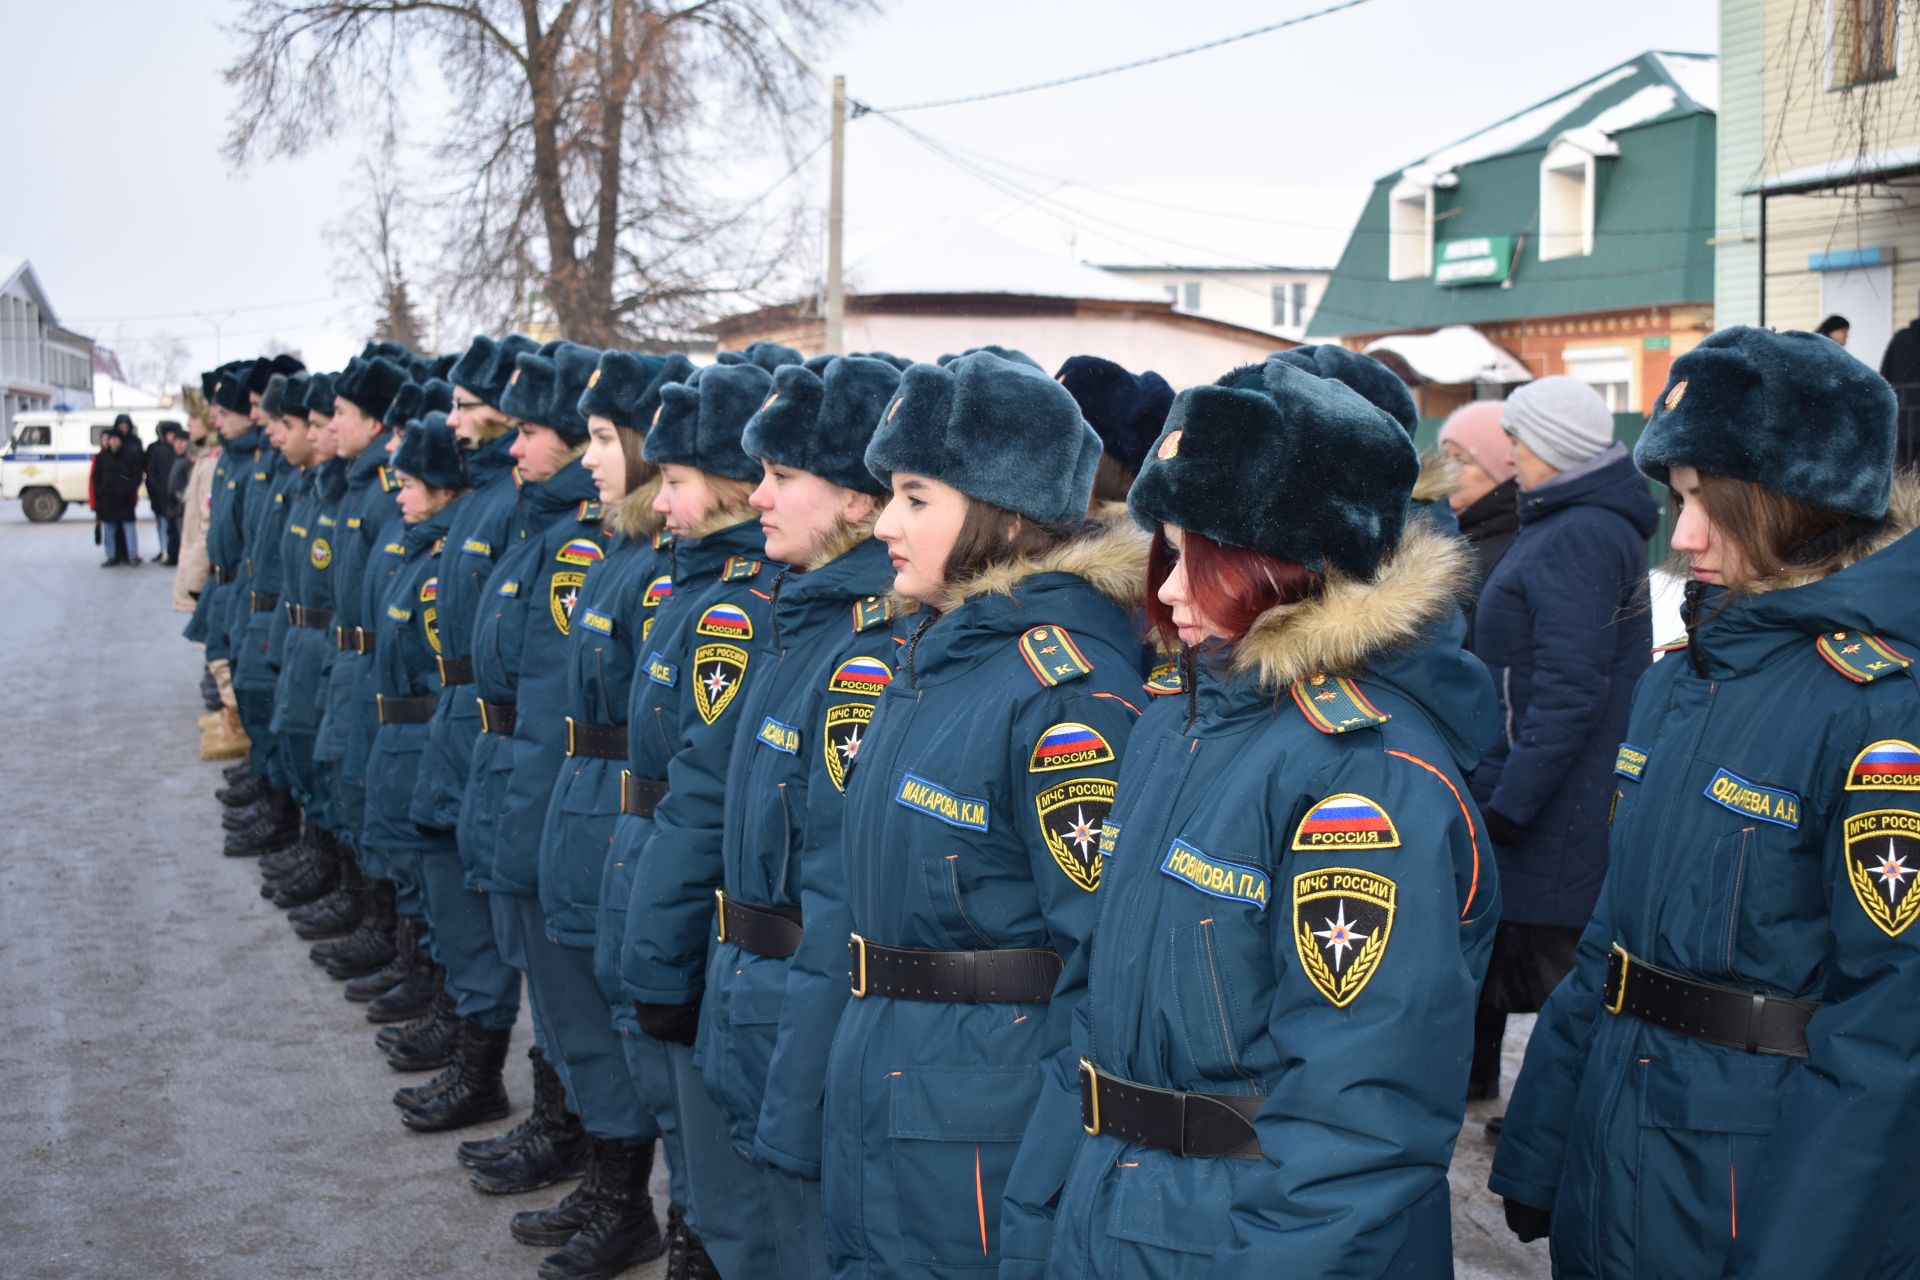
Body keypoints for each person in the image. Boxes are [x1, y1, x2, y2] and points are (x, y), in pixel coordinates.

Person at [1024, 358, 1498, 1279]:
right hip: (1117, 1213)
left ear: (1285, 563)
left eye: (1197, 558)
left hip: (1238, 1235)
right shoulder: (1177, 725)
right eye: (1164, 553)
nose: (1166, 590)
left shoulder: (1365, 779)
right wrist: (1040, 1214)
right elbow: (1091, 1016)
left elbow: (1359, 1115)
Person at [1491, 326, 1920, 1278]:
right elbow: (1612, 939)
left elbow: (1892, 1025)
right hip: (1620, 1145)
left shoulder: (1882, 707)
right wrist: (1543, 1137)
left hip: (1751, 1184)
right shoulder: (1679, 684)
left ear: (1800, 509)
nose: (1681, 538)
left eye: (1709, 504)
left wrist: (1798, 1253)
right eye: (1678, 499)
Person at [822, 351, 1147, 1277]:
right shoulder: (939, 654)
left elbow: (1100, 973)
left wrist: (1044, 1181)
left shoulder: (1064, 694)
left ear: (1006, 514)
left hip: (981, 1127)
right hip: (892, 1075)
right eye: (891, 494)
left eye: (916, 498)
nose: (884, 522)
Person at [691, 354, 902, 1280]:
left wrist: (799, 1077)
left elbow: (837, 888)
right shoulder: (800, 617)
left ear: (856, 500)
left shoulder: (869, 650)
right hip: (756, 996)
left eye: (783, 475)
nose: (758, 497)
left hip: (800, 1015)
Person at [512, 349, 688, 1279]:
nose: (590, 457)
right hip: (589, 798)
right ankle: (606, 1183)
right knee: (586, 1008)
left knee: (626, 1021)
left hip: (622, 800)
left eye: (605, 439)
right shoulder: (622, 549)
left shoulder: (657, 568)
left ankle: (628, 1201)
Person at [612, 357, 783, 1278]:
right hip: (671, 888)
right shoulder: (700, 589)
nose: (659, 499)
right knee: (694, 1142)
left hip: (723, 928)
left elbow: (704, 795)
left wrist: (660, 948)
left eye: (674, 479)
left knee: (732, 1180)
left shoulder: (739, 611)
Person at [1466, 377, 1656, 1118]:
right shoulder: (1574, 522)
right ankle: (1547, 1118)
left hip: (1553, 797)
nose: (1510, 453)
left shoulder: (1578, 533)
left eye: (1518, 439)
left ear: (1553, 444)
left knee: (1560, 972)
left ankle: (1568, 1126)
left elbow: (1570, 688)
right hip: (1548, 784)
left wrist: (1512, 802)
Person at [1437, 400, 1521, 624]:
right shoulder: (1455, 531)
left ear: (1501, 469)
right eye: (1445, 456)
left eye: (1461, 460)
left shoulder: (1508, 547)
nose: (1446, 469)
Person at [92, 419, 146, 567]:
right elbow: (96, 477)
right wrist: (100, 491)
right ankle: (111, 556)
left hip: (125, 499)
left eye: (116, 439)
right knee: (109, 528)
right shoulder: (102, 457)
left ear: (121, 441)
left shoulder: (129, 456)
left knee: (129, 527)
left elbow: (137, 475)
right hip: (108, 499)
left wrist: (130, 489)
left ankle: (133, 555)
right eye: (111, 439)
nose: (113, 442)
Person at [1881, 290, 1920, 467]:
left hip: (1902, 418)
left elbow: (1884, 376)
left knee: (1902, 470)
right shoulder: (1901, 339)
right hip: (1905, 417)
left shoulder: (1900, 338)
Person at [146, 421, 182, 563]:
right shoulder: (157, 450)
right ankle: (165, 551)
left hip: (176, 496)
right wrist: (157, 489)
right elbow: (151, 472)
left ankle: (173, 552)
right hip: (161, 495)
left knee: (175, 526)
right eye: (169, 434)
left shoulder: (180, 451)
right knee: (163, 524)